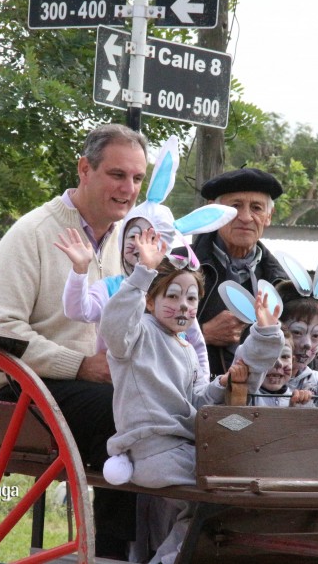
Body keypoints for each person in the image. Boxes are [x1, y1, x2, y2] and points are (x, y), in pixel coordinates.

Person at [0, 123, 147, 559]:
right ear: (84, 169)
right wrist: (80, 364)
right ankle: (113, 553)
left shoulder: (128, 243)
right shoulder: (33, 232)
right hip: (28, 388)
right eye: (117, 175)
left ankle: (157, 547)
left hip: (102, 386)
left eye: (137, 178)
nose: (128, 188)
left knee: (170, 417)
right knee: (125, 418)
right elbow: (1, 330)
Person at [100, 229, 284, 564]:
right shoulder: (137, 336)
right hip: (154, 450)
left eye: (191, 298)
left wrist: (262, 339)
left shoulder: (184, 347)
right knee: (230, 486)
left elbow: (199, 404)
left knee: (221, 496)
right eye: (171, 296)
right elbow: (113, 327)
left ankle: (170, 557)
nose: (182, 306)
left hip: (182, 448)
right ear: (151, 301)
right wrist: (143, 273)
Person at [176, 168, 289, 376]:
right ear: (213, 211)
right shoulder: (175, 266)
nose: (245, 217)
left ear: (268, 216)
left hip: (260, 402)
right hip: (189, 395)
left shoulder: (283, 283)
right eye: (235, 206)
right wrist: (202, 333)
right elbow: (146, 338)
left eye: (256, 208)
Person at [250, 327, 313, 407]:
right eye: (268, 356)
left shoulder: (298, 400)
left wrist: (301, 406)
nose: (278, 363)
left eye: (285, 356)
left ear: (292, 361)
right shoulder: (248, 398)